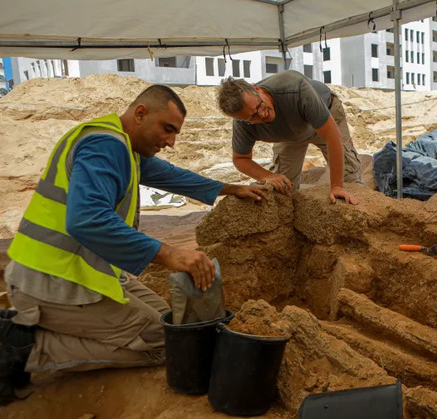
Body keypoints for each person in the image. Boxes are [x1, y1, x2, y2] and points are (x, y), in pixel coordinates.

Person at [0, 85, 267, 405]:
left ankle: (37, 326)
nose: (171, 141)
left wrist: (233, 189)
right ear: (141, 113)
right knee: (162, 343)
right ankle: (22, 345)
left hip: (81, 270)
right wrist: (169, 254)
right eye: (167, 129)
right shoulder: (104, 146)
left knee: (173, 329)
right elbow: (86, 220)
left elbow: (173, 176)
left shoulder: (122, 144)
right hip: (51, 280)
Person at [217, 70, 362, 205]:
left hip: (327, 115)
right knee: (283, 188)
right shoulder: (243, 123)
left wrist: (337, 186)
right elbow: (240, 159)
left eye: (259, 106)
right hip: (289, 134)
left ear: (257, 88)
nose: (261, 115)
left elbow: (332, 136)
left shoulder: (294, 88)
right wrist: (267, 176)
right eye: (253, 117)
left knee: (348, 179)